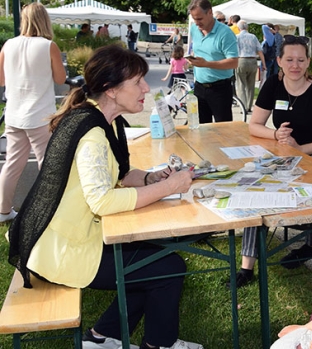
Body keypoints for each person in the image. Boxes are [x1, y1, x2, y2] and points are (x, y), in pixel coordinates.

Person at [7, 45, 202, 349]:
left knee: (150, 259)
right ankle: (159, 344)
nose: (145, 88)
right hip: (61, 252)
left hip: (65, 239)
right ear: (111, 91)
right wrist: (169, 187)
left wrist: (152, 178)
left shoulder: (102, 119)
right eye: (137, 82)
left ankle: (102, 338)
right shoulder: (93, 134)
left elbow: (120, 175)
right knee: (168, 268)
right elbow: (102, 201)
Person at [230, 35, 312, 288]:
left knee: (311, 194)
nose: (295, 65)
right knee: (254, 191)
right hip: (285, 157)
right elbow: (254, 125)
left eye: (301, 60)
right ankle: (246, 266)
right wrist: (275, 134)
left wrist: (301, 149)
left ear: (308, 62)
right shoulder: (273, 85)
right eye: (289, 59)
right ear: (279, 60)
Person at [0, 3, 66, 223]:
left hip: (14, 114)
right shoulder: (48, 46)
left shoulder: (8, 45)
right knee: (47, 164)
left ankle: (3, 211)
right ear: (44, 20)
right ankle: (50, 210)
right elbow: (60, 79)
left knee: (12, 164)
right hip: (40, 115)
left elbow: (1, 80)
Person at [187, 0, 239, 123]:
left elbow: (234, 62)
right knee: (199, 128)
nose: (197, 23)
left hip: (220, 88)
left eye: (199, 19)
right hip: (199, 86)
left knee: (222, 130)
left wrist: (206, 64)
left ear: (210, 12)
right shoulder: (194, 29)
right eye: (194, 19)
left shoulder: (225, 33)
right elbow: (200, 50)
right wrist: (192, 59)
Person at [235, 20, 266, 112]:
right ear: (247, 27)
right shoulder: (253, 37)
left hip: (241, 60)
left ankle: (243, 106)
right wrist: (263, 64)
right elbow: (260, 51)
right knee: (251, 85)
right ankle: (249, 106)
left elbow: (235, 51)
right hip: (253, 60)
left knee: (241, 84)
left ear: (238, 28)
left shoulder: (236, 37)